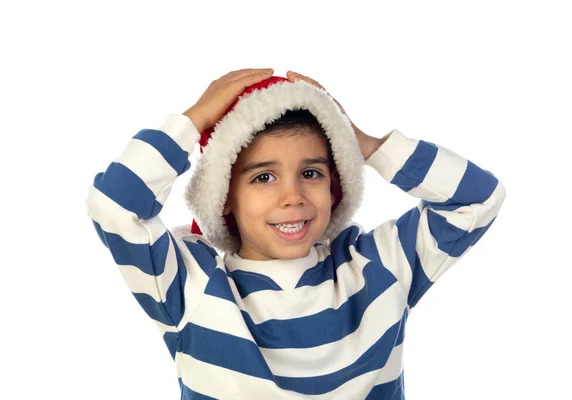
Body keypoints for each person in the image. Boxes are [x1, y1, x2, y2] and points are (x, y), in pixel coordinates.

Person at [85, 68, 506, 399]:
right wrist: (192, 121)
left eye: (311, 172)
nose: (292, 196)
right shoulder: (189, 284)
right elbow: (114, 206)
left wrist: (362, 143)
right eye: (263, 177)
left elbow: (478, 199)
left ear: (335, 183)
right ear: (224, 196)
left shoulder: (378, 265)